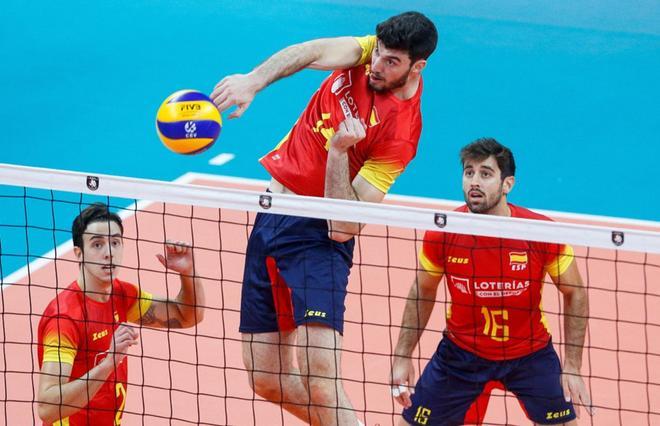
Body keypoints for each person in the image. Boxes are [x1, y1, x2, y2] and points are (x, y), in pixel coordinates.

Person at [211, 11, 438, 426]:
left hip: (317, 240)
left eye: (391, 63)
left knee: (321, 381)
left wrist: (338, 154)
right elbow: (311, 52)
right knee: (265, 379)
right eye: (379, 55)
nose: (377, 66)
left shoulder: (401, 135)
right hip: (271, 216)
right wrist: (253, 81)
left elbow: (344, 227)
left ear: (416, 67)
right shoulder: (368, 52)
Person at [390, 138, 594, 425]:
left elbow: (576, 292)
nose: (475, 181)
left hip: (530, 355)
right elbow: (422, 291)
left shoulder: (540, 232)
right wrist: (402, 356)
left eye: (486, 174)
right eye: (469, 172)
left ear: (507, 184)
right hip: (462, 354)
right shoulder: (442, 232)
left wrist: (572, 366)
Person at [36, 203, 205, 425]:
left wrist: (188, 273)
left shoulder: (122, 295)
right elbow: (47, 408)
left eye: (115, 242)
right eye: (97, 244)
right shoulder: (64, 319)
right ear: (79, 253)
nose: (109, 253)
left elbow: (187, 316)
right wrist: (109, 363)